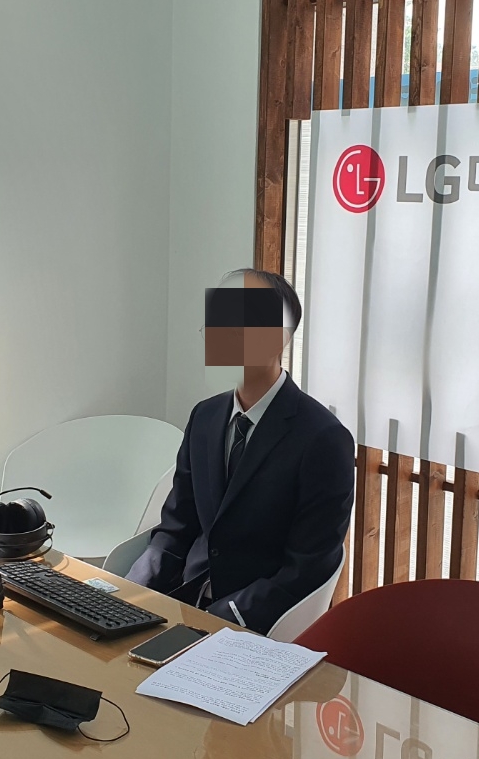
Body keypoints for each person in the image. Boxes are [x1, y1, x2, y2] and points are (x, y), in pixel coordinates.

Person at [126, 268, 355, 634]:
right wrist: (129, 590)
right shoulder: (205, 416)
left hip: (255, 622)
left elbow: (308, 567)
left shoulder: (323, 439)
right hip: (183, 599)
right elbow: (177, 526)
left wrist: (220, 619)